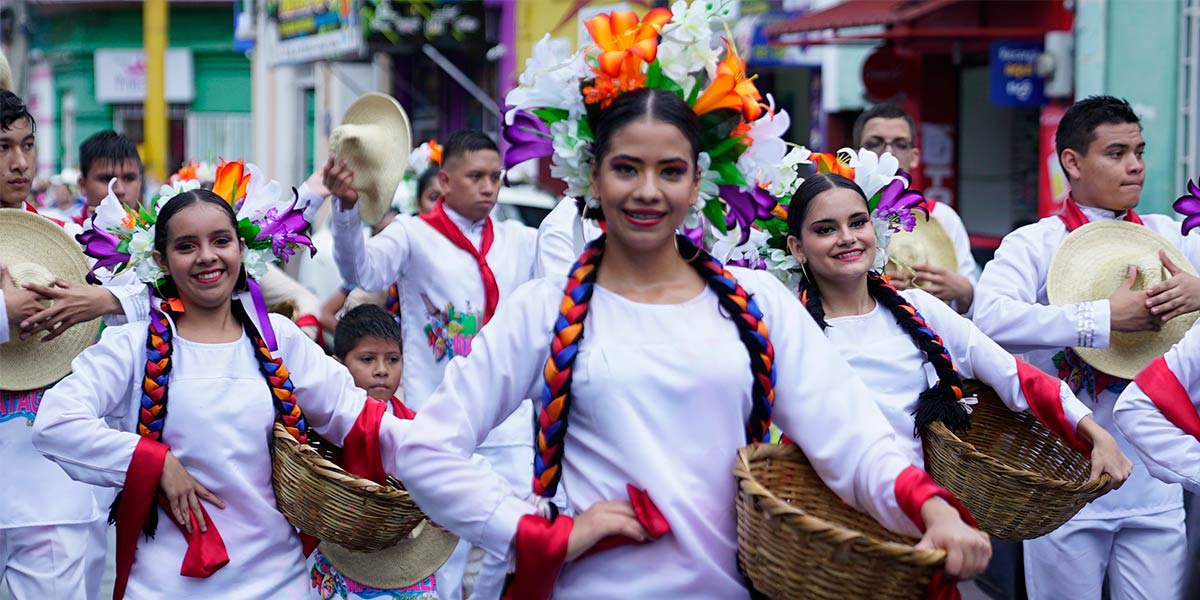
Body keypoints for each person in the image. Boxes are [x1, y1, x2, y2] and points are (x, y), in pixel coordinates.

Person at [388, 87, 990, 599]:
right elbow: (427, 450)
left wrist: (932, 509)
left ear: (698, 179)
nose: (648, 190)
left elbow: (851, 440)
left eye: (670, 171)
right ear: (593, 176)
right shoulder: (545, 308)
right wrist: (542, 530)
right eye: (627, 168)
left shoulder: (756, 301)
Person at [32, 187, 405, 598]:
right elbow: (55, 424)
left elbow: (358, 418)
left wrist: (437, 458)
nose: (207, 256)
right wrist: (153, 462)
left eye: (220, 241)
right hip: (164, 584)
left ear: (242, 249)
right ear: (161, 261)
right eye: (187, 246)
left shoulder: (278, 339)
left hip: (275, 580)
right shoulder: (131, 347)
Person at [974, 95, 1195, 599]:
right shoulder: (1034, 243)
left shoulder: (1173, 235)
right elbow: (987, 319)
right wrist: (1101, 318)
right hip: (1064, 483)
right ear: (1071, 162)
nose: (1136, 165)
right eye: (1116, 153)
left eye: (1139, 151)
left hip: (1158, 481)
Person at [784, 171, 1130, 479]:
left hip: (921, 522)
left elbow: (1013, 375)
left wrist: (1093, 432)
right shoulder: (790, 329)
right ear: (797, 248)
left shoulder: (919, 309)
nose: (847, 237)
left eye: (858, 222)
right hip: (824, 526)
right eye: (826, 229)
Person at [325, 129, 538, 596]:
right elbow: (361, 273)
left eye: (495, 177)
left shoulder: (522, 241)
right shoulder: (413, 234)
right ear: (444, 179)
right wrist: (345, 212)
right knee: (439, 552)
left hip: (510, 427)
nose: (488, 187)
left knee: (519, 542)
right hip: (438, 420)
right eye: (475, 176)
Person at [309, 304, 441, 599]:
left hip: (403, 558)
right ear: (338, 365)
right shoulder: (322, 426)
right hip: (338, 553)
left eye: (392, 359)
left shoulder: (416, 425)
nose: (382, 370)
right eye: (367, 359)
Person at [853, 104, 976, 313]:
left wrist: (963, 290)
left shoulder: (941, 216)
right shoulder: (839, 215)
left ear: (915, 156)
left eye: (900, 144)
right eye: (875, 143)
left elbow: (973, 302)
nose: (888, 152)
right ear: (857, 154)